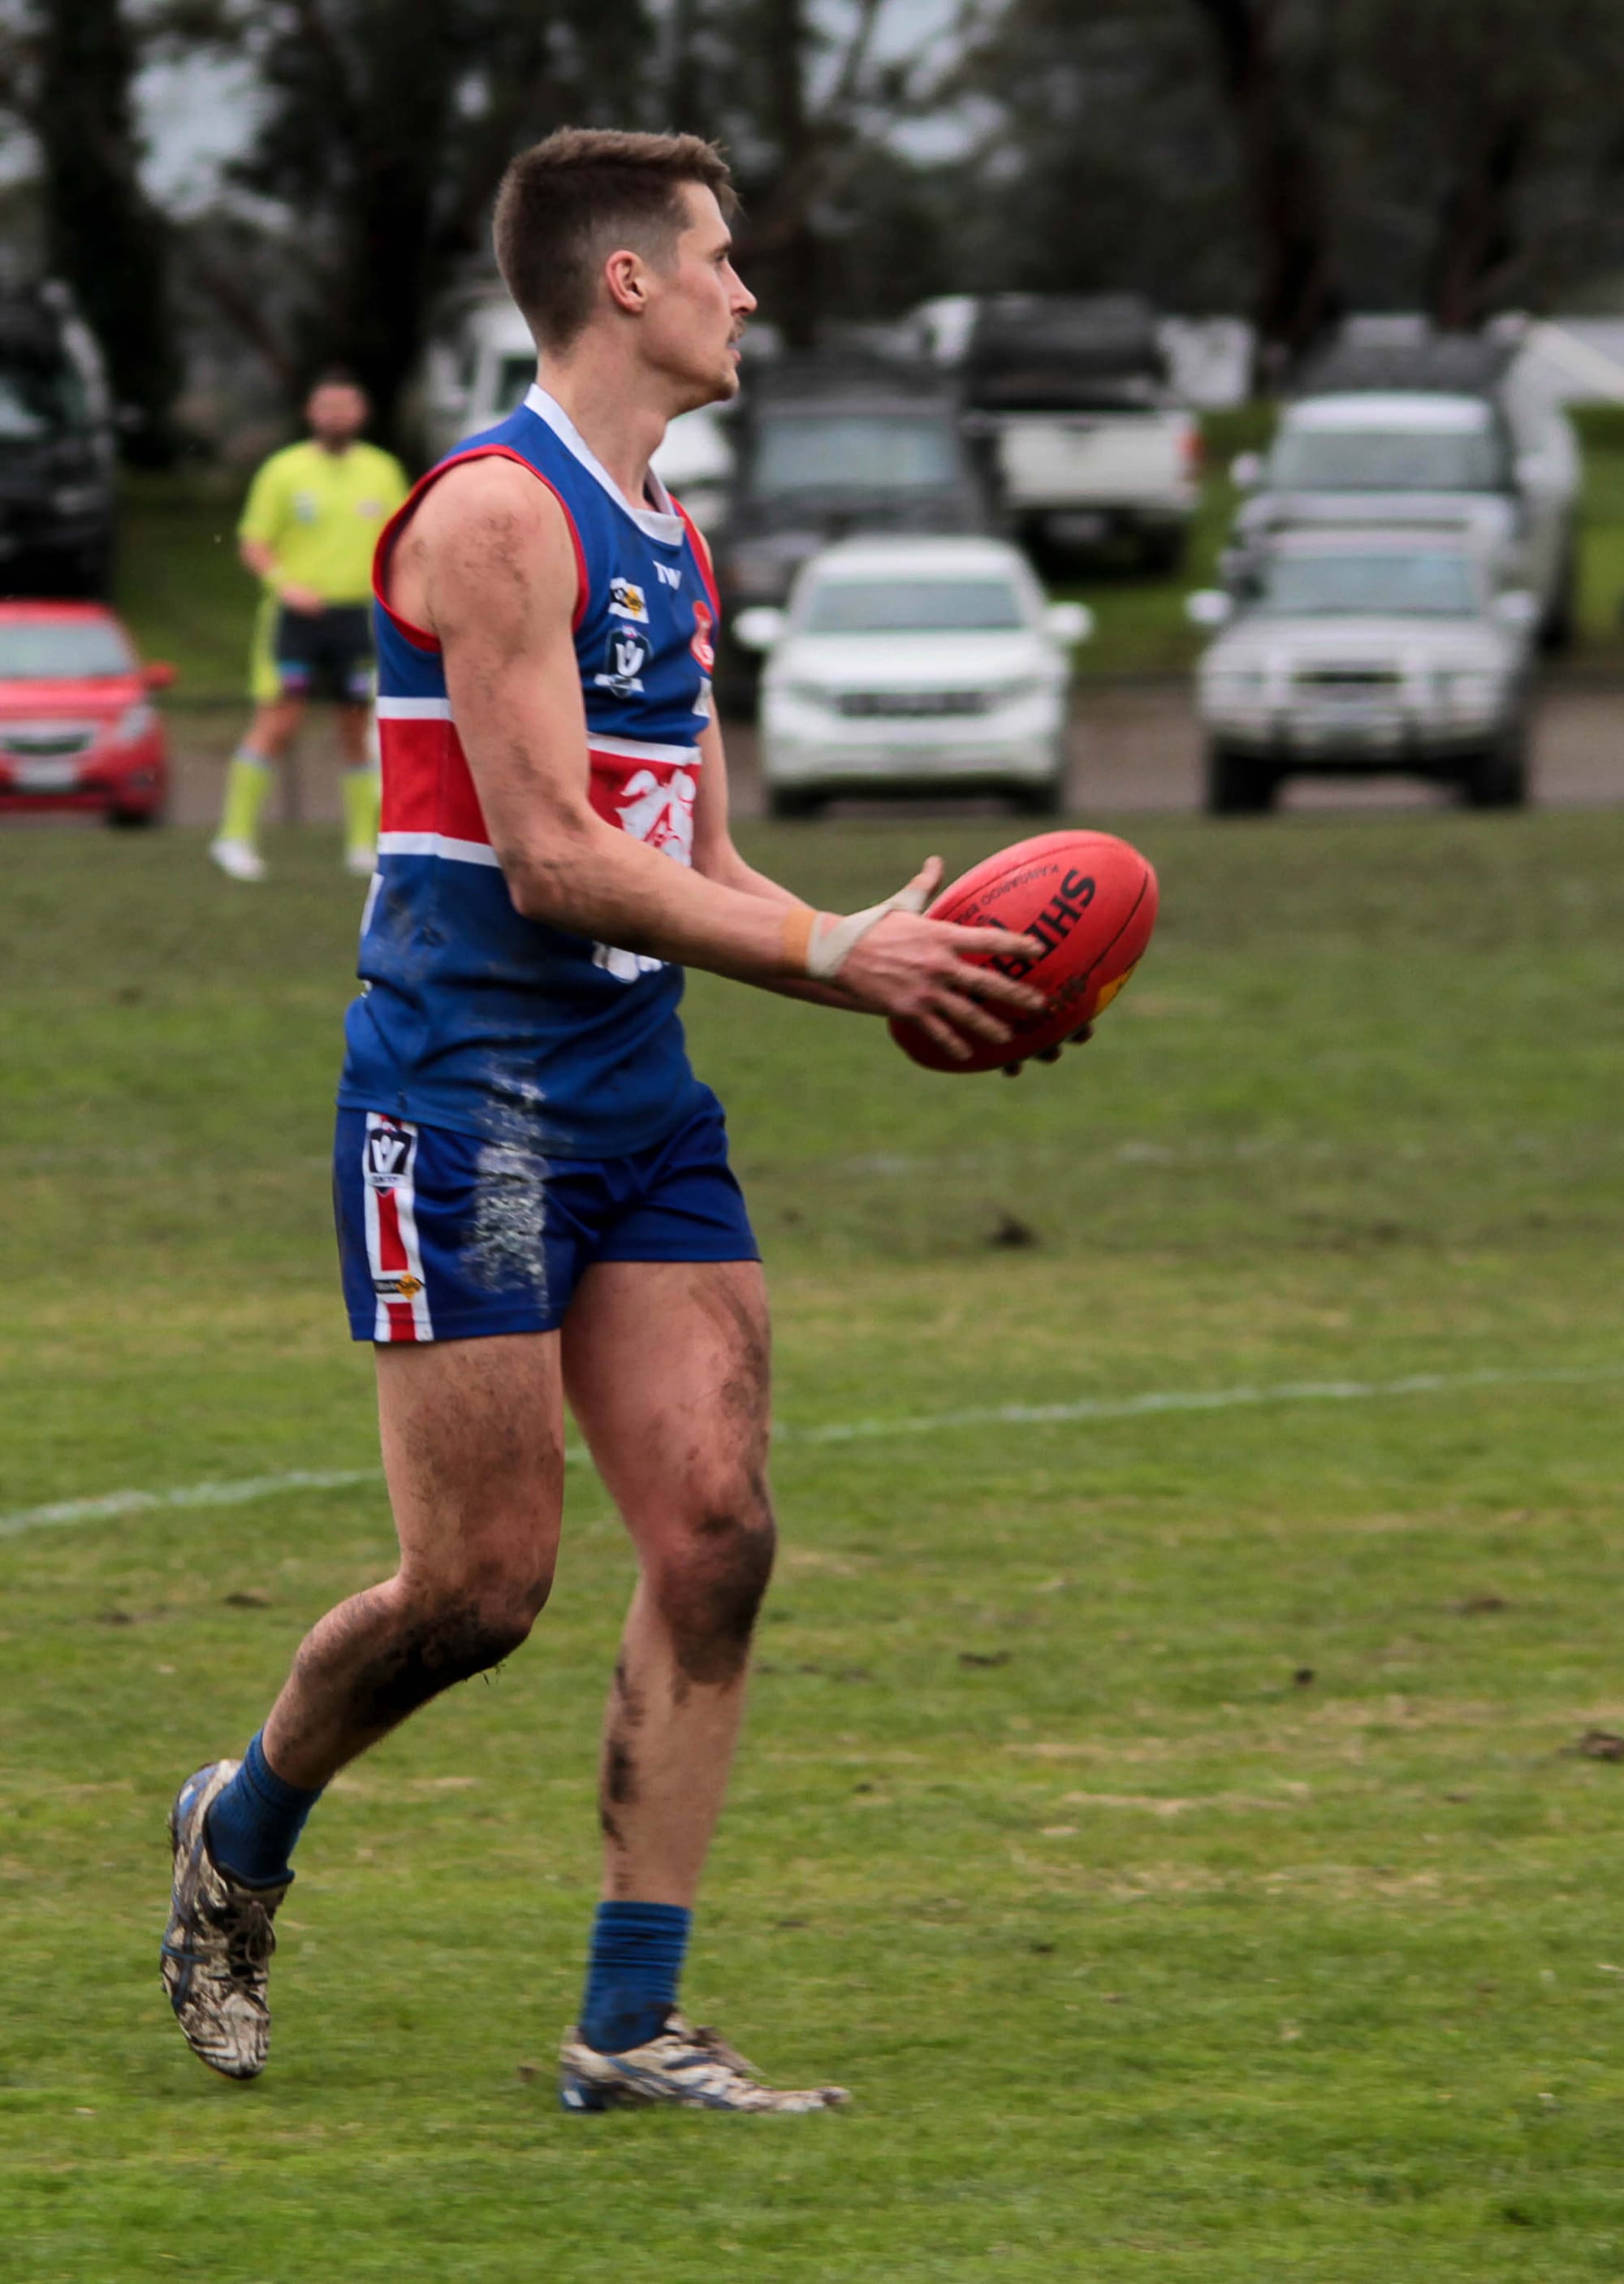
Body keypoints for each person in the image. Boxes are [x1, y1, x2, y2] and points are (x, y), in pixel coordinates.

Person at [162, 128, 1069, 2113]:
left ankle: (628, 2021)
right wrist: (839, 953)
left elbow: (702, 856)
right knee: (478, 1585)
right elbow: (555, 859)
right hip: (470, 1096)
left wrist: (906, 960)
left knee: (722, 1530)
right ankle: (238, 1827)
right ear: (627, 283)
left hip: (640, 1093)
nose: (749, 291)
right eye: (722, 259)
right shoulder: (496, 516)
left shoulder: (671, 534)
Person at [210, 373, 409, 884]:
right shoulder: (283, 471)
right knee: (280, 721)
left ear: (361, 413)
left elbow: (405, 542)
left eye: (347, 406)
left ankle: (363, 846)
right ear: (310, 413)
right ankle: (233, 837)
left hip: (357, 619)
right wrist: (285, 583)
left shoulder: (382, 471)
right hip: (297, 621)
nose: (337, 415)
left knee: (356, 728)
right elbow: (253, 543)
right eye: (328, 406)